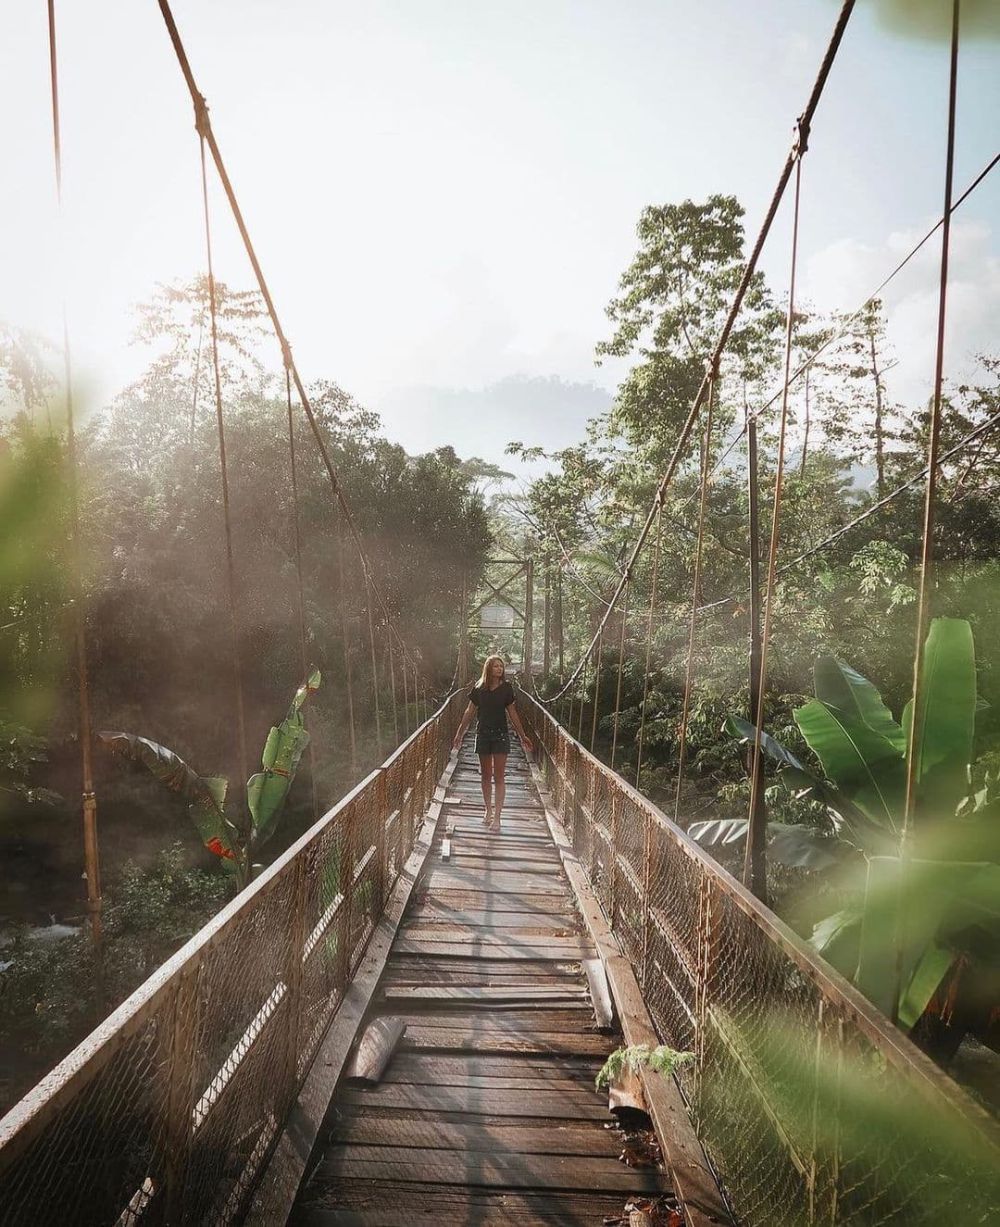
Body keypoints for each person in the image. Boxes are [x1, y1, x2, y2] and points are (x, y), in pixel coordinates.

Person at [451, 654, 534, 831]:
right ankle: (488, 810)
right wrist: (459, 733)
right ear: (489, 668)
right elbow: (469, 711)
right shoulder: (479, 688)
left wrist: (522, 735)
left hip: (501, 735)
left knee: (499, 776)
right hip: (483, 734)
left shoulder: (507, 688)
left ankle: (497, 817)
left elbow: (512, 713)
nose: (499, 669)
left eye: (501, 666)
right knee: (486, 776)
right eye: (496, 666)